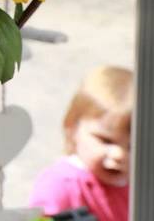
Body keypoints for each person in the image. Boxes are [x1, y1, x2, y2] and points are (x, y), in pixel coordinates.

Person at [29, 65, 133, 221]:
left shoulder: (139, 187)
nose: (120, 155)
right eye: (106, 140)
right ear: (72, 128)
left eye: (132, 147)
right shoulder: (61, 184)